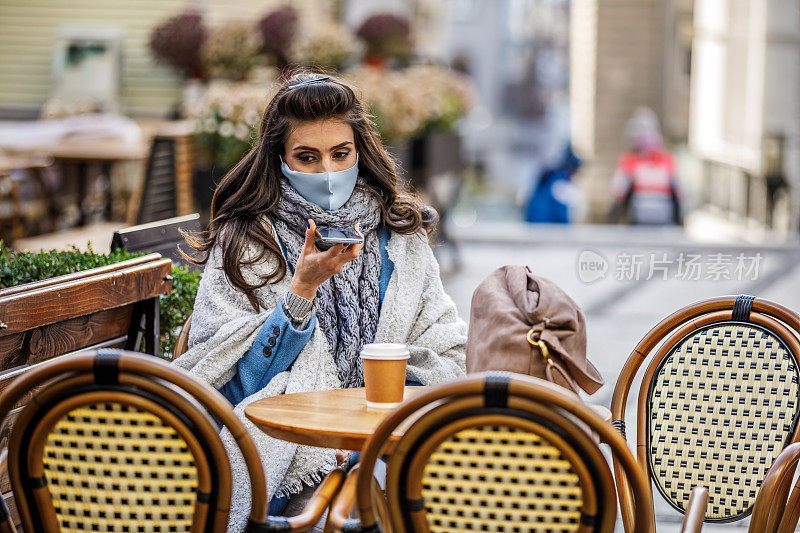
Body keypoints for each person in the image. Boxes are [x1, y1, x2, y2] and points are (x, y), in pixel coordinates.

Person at [172, 71, 467, 532]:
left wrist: (376, 407)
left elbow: (447, 348)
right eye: (307, 157)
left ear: (359, 152)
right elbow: (229, 382)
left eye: (340, 154)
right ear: (280, 160)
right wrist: (301, 291)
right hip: (290, 463)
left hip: (389, 449)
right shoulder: (247, 238)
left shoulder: (400, 233)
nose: (327, 172)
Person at [608, 107, 683, 225]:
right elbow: (617, 192)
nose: (645, 136)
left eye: (648, 131)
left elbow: (679, 192)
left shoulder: (666, 159)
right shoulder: (628, 160)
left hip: (665, 221)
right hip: (636, 221)